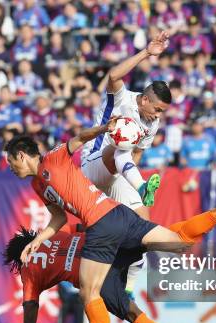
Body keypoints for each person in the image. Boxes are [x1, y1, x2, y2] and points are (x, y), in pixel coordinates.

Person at [4, 119, 216, 323]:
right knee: (179, 242)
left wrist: (104, 130)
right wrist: (37, 241)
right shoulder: (38, 185)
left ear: (22, 155)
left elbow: (79, 138)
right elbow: (58, 218)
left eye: (10, 162)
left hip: (101, 225)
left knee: (89, 291)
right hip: (120, 216)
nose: (10, 168)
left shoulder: (53, 157)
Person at [5, 201, 216, 323]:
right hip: (111, 243)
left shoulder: (29, 275)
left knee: (132, 314)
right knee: (173, 239)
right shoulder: (56, 233)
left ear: (17, 260)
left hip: (98, 274)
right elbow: (83, 226)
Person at [80, 31, 172, 296]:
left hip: (122, 173)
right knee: (122, 143)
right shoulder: (123, 98)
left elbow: (138, 157)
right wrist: (146, 53)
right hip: (93, 165)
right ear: (144, 99)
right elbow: (113, 76)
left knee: (144, 226)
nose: (158, 115)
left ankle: (129, 283)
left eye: (162, 112)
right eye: (157, 109)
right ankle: (141, 186)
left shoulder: (152, 123)